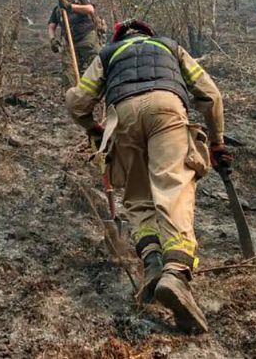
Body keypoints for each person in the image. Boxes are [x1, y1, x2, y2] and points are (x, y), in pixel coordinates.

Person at [64, 19, 230, 334]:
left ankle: (153, 264)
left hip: (122, 116)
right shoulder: (170, 46)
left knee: (138, 197)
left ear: (119, 37)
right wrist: (217, 141)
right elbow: (210, 94)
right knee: (172, 187)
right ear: (148, 34)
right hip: (167, 109)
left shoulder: (107, 54)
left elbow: (77, 102)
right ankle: (176, 273)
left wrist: (92, 128)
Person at [48, 0, 101, 84]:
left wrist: (70, 6)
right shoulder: (57, 9)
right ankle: (74, 97)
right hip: (69, 43)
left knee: (97, 68)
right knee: (68, 73)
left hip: (86, 38)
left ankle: (100, 96)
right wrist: (52, 39)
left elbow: (90, 9)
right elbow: (51, 26)